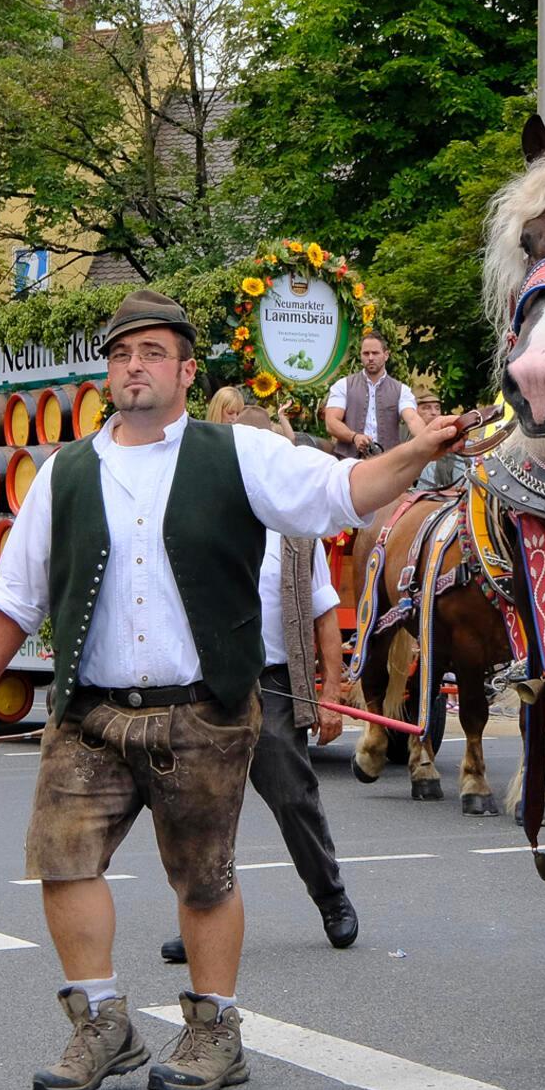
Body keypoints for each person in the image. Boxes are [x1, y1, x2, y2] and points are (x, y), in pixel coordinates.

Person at [0, 289, 466, 1090]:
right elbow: (15, 593)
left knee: (203, 879)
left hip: (205, 708)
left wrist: (421, 450)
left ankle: (215, 1032)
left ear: (187, 371)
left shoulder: (238, 455)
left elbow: (344, 489)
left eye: (152, 353)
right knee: (62, 862)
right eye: (122, 354)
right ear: (107, 375)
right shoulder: (65, 474)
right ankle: (102, 1022)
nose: (134, 367)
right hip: (89, 710)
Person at [159, 405, 357, 963]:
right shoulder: (200, 519)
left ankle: (333, 899)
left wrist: (331, 692)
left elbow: (324, 613)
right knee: (204, 808)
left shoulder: (297, 533)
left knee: (295, 796)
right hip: (208, 683)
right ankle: (201, 917)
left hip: (273, 682)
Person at [322, 330, 426, 456]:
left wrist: (427, 440)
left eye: (375, 353)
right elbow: (331, 422)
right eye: (366, 353)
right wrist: (354, 437)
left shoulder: (401, 390)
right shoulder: (343, 385)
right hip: (348, 462)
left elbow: (413, 419)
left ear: (386, 355)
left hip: (387, 464)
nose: (370, 358)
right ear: (360, 355)